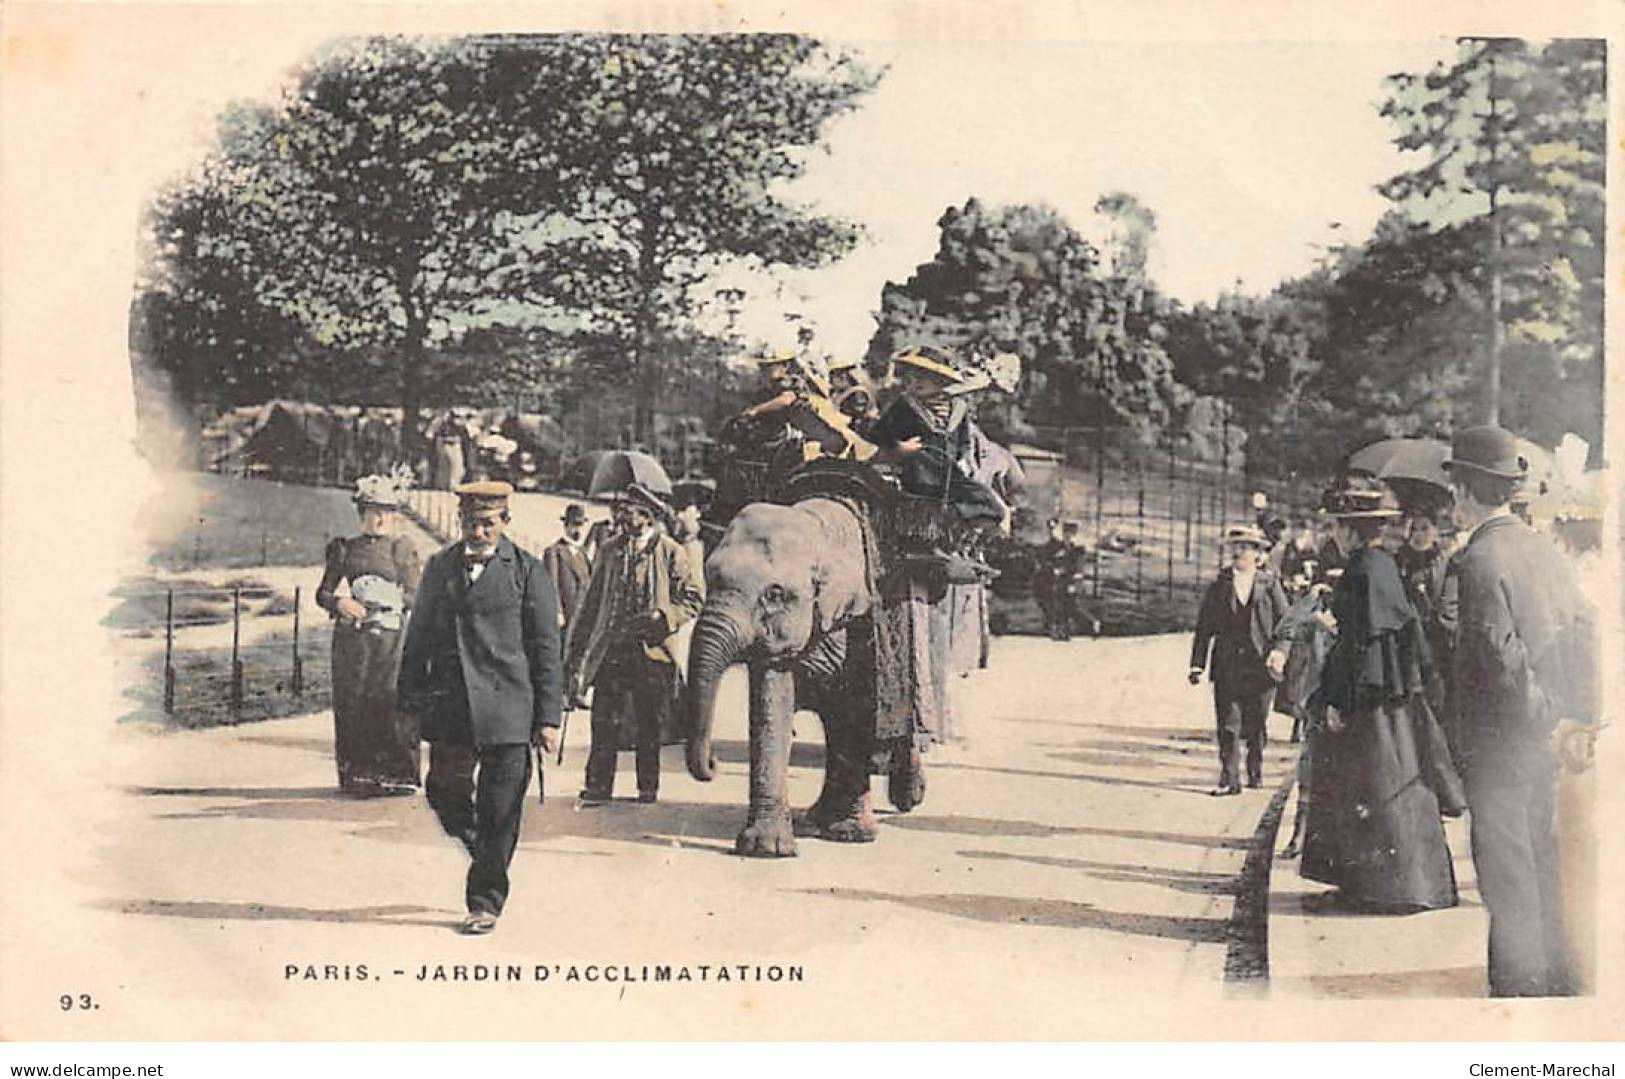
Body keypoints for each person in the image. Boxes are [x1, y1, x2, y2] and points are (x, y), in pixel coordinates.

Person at [1444, 426, 1596, 996]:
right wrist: (1566, 715)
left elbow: (1498, 658)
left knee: (1506, 878)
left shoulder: (1479, 560)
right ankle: (1557, 984)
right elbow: (1581, 633)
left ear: (1466, 490)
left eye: (1455, 487)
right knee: (1539, 864)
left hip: (1502, 744)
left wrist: (1538, 716)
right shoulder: (1542, 551)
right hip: (1543, 742)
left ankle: (1520, 997)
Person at [396, 481, 563, 936]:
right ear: (460, 522)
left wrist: (549, 718)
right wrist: (409, 705)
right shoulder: (439, 567)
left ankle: (485, 901)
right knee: (443, 793)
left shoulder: (527, 571)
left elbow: (547, 649)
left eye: (488, 522)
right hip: (452, 710)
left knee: (499, 808)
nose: (479, 530)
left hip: (510, 710)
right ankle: (489, 855)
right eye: (471, 522)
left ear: (505, 523)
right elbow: (417, 642)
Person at [1297, 479, 1460, 914]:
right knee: (1382, 785)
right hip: (1395, 697)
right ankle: (1382, 884)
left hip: (1371, 700)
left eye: (1336, 526)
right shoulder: (1382, 565)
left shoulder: (1363, 570)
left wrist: (1338, 700)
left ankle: (1385, 889)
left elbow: (1362, 645)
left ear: (1350, 530)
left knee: (1370, 785)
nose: (1333, 533)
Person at [566, 483, 704, 806]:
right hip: (613, 649)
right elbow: (591, 602)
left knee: (649, 722)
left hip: (652, 651)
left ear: (648, 515)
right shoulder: (610, 549)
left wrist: (665, 614)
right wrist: (574, 653)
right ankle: (598, 786)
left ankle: (647, 786)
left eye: (630, 510)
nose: (623, 515)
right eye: (623, 509)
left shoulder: (671, 551)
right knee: (604, 719)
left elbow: (694, 598)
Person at [315, 469, 423, 797]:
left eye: (386, 512)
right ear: (361, 513)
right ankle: (358, 773)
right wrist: (339, 602)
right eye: (373, 511)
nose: (379, 518)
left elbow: (416, 595)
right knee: (354, 699)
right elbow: (322, 592)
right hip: (353, 639)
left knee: (390, 698)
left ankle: (397, 773)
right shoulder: (345, 549)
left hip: (392, 638)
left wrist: (392, 599)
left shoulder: (401, 549)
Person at [1188, 524, 1290, 795]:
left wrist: (1280, 652)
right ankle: (1229, 778)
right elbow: (1204, 627)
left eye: (1245, 548)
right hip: (1227, 665)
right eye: (1235, 548)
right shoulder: (1219, 585)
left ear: (1258, 554)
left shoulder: (1269, 584)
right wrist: (1197, 664)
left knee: (1256, 724)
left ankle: (1254, 769)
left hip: (1261, 666)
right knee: (1228, 724)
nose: (1238, 552)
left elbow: (1287, 624)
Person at [869, 346, 1008, 529]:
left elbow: (964, 441)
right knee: (922, 486)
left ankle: (948, 517)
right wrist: (898, 448)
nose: (915, 382)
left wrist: (964, 459)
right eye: (912, 377)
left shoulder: (958, 408)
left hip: (950, 474)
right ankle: (932, 521)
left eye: (924, 378)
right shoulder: (904, 406)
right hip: (917, 472)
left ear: (941, 381)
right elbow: (878, 435)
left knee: (992, 506)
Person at [542, 503, 593, 635]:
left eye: (581, 525)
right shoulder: (554, 551)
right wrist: (557, 611)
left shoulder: (582, 552)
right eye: (575, 525)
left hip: (584, 612)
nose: (578, 530)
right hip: (567, 612)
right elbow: (552, 585)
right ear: (566, 526)